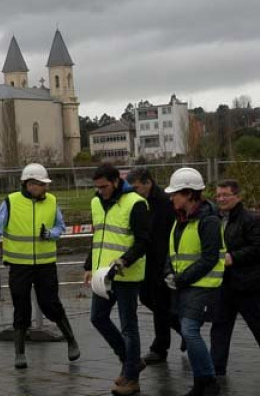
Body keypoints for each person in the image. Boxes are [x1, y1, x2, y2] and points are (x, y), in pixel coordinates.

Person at [0, 163, 79, 370]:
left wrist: (50, 234)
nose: (43, 188)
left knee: (51, 304)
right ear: (27, 184)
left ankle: (71, 340)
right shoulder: (10, 202)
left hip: (45, 264)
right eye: (39, 184)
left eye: (44, 184)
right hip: (19, 266)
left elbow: (60, 227)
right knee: (21, 307)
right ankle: (19, 353)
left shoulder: (52, 201)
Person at [84, 163, 149, 396]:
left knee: (129, 326)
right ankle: (130, 361)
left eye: (104, 187)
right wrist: (89, 266)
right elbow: (98, 237)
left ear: (115, 181)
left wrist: (124, 261)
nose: (100, 191)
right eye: (97, 187)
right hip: (103, 275)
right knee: (98, 318)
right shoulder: (95, 202)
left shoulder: (136, 204)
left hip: (127, 275)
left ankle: (131, 379)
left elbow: (143, 241)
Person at [165, 167, 223, 396]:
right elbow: (172, 251)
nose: (171, 198)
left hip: (203, 286)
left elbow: (209, 258)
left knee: (189, 331)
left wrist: (181, 279)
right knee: (189, 331)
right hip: (185, 285)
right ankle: (201, 382)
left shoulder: (208, 220)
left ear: (189, 194)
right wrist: (168, 271)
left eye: (175, 193)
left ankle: (209, 380)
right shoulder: (180, 219)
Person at [127, 167, 184, 363]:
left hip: (160, 260)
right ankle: (182, 329)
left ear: (148, 183)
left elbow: (167, 234)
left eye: (136, 187)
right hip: (145, 258)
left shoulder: (163, 203)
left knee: (160, 304)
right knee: (147, 298)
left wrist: (166, 265)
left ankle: (160, 348)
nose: (133, 191)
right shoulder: (139, 202)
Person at [210, 179, 260, 377]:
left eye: (225, 195)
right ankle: (216, 369)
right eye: (218, 195)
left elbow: (257, 247)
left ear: (238, 196)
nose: (221, 199)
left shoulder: (251, 219)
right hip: (224, 285)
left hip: (248, 285)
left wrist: (233, 257)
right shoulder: (217, 218)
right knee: (219, 327)